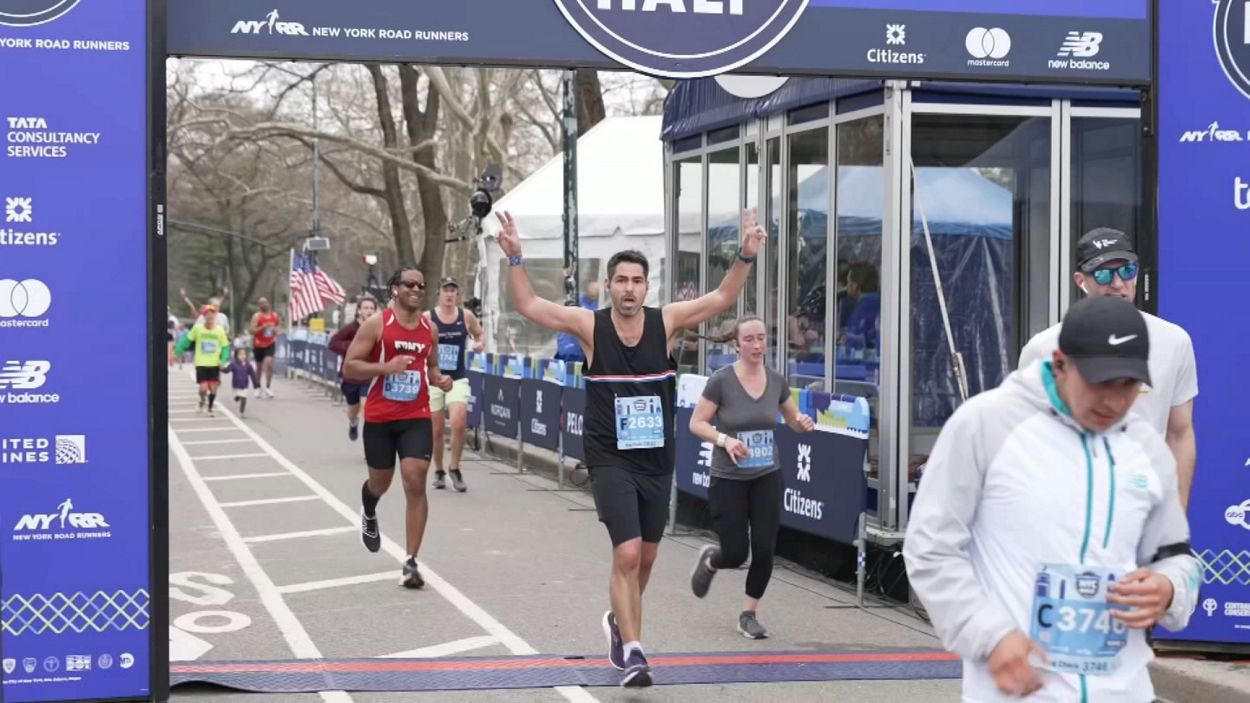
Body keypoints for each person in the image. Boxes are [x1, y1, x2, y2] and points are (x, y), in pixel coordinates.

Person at [494, 207, 765, 688]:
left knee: (647, 558)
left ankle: (620, 622)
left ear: (646, 286)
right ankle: (635, 653)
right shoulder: (589, 326)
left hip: (656, 460)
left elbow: (724, 297)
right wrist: (516, 258)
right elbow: (530, 306)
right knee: (627, 553)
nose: (629, 289)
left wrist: (745, 254)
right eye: (621, 280)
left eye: (637, 281)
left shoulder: (668, 322)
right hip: (609, 458)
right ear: (609, 285)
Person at [904, 295, 1199, 702]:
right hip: (1020, 692)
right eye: (1100, 382)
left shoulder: (1145, 447)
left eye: (1129, 385)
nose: (1114, 401)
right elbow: (929, 548)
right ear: (1060, 364)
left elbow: (1178, 556)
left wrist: (1168, 588)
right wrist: (991, 635)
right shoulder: (985, 425)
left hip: (1124, 691)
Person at [1018, 228, 1198, 506]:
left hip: (1143, 502)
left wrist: (1176, 515)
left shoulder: (1174, 341)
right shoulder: (1044, 348)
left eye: (1127, 270)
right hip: (1069, 505)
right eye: (1103, 274)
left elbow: (1180, 433)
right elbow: (1028, 440)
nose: (1117, 283)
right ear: (1081, 281)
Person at [686, 316, 815, 639]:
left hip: (766, 474)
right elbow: (696, 423)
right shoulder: (721, 381)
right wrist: (725, 440)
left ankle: (748, 614)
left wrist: (802, 423)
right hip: (728, 477)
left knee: (764, 547)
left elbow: (791, 418)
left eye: (761, 338)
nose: (757, 345)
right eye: (749, 340)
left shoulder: (776, 381)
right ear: (736, 345)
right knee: (735, 553)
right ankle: (712, 560)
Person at [343, 269, 454, 589]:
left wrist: (439, 379)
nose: (417, 289)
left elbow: (431, 366)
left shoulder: (429, 328)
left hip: (415, 415)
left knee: (415, 479)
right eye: (409, 284)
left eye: (421, 285)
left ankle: (410, 561)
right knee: (380, 483)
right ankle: (369, 508)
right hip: (380, 417)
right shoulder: (378, 324)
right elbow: (350, 367)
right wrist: (386, 367)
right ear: (394, 289)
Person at [425, 278, 484, 493]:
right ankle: (439, 470)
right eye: (445, 290)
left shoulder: (465, 316)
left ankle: (455, 468)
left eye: (453, 291)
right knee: (436, 430)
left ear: (457, 295)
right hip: (434, 379)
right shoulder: (427, 318)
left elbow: (479, 333)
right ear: (438, 294)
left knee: (459, 422)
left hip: (457, 378)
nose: (449, 295)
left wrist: (479, 343)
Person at [330, 296, 380, 441]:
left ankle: (371, 441)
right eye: (366, 308)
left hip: (369, 375)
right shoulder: (351, 329)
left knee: (366, 406)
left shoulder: (378, 328)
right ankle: (353, 422)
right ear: (359, 311)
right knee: (353, 410)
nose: (369, 311)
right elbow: (333, 343)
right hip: (351, 376)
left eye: (372, 308)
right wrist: (351, 347)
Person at [174, 305, 231, 417]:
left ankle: (210, 408)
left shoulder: (219, 330)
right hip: (201, 363)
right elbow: (187, 340)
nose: (210, 317)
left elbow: (225, 347)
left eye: (212, 315)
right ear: (204, 317)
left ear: (215, 317)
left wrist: (223, 360)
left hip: (214, 363)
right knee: (203, 388)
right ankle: (201, 399)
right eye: (207, 315)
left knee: (213, 388)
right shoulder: (198, 329)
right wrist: (177, 351)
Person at [555, 280, 600, 363]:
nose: (595, 291)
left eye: (596, 289)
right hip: (569, 347)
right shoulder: (576, 301)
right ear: (587, 288)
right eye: (593, 288)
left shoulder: (598, 305)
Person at [250, 297, 281, 398]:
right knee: (259, 367)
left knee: (269, 364)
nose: (264, 305)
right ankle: (258, 387)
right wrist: (263, 327)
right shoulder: (257, 316)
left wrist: (275, 331)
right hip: (258, 344)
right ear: (259, 306)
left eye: (265, 303)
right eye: (262, 303)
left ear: (268, 303)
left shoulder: (274, 315)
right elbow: (252, 330)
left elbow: (278, 327)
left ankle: (268, 387)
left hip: (270, 343)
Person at [222, 347, 260, 417]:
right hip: (236, 384)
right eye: (240, 354)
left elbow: (253, 375)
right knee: (240, 395)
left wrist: (256, 383)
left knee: (244, 398)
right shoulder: (233, 364)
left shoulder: (248, 365)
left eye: (244, 354)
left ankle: (242, 412)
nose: (242, 356)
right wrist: (221, 369)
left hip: (245, 385)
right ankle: (237, 397)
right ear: (236, 355)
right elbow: (227, 370)